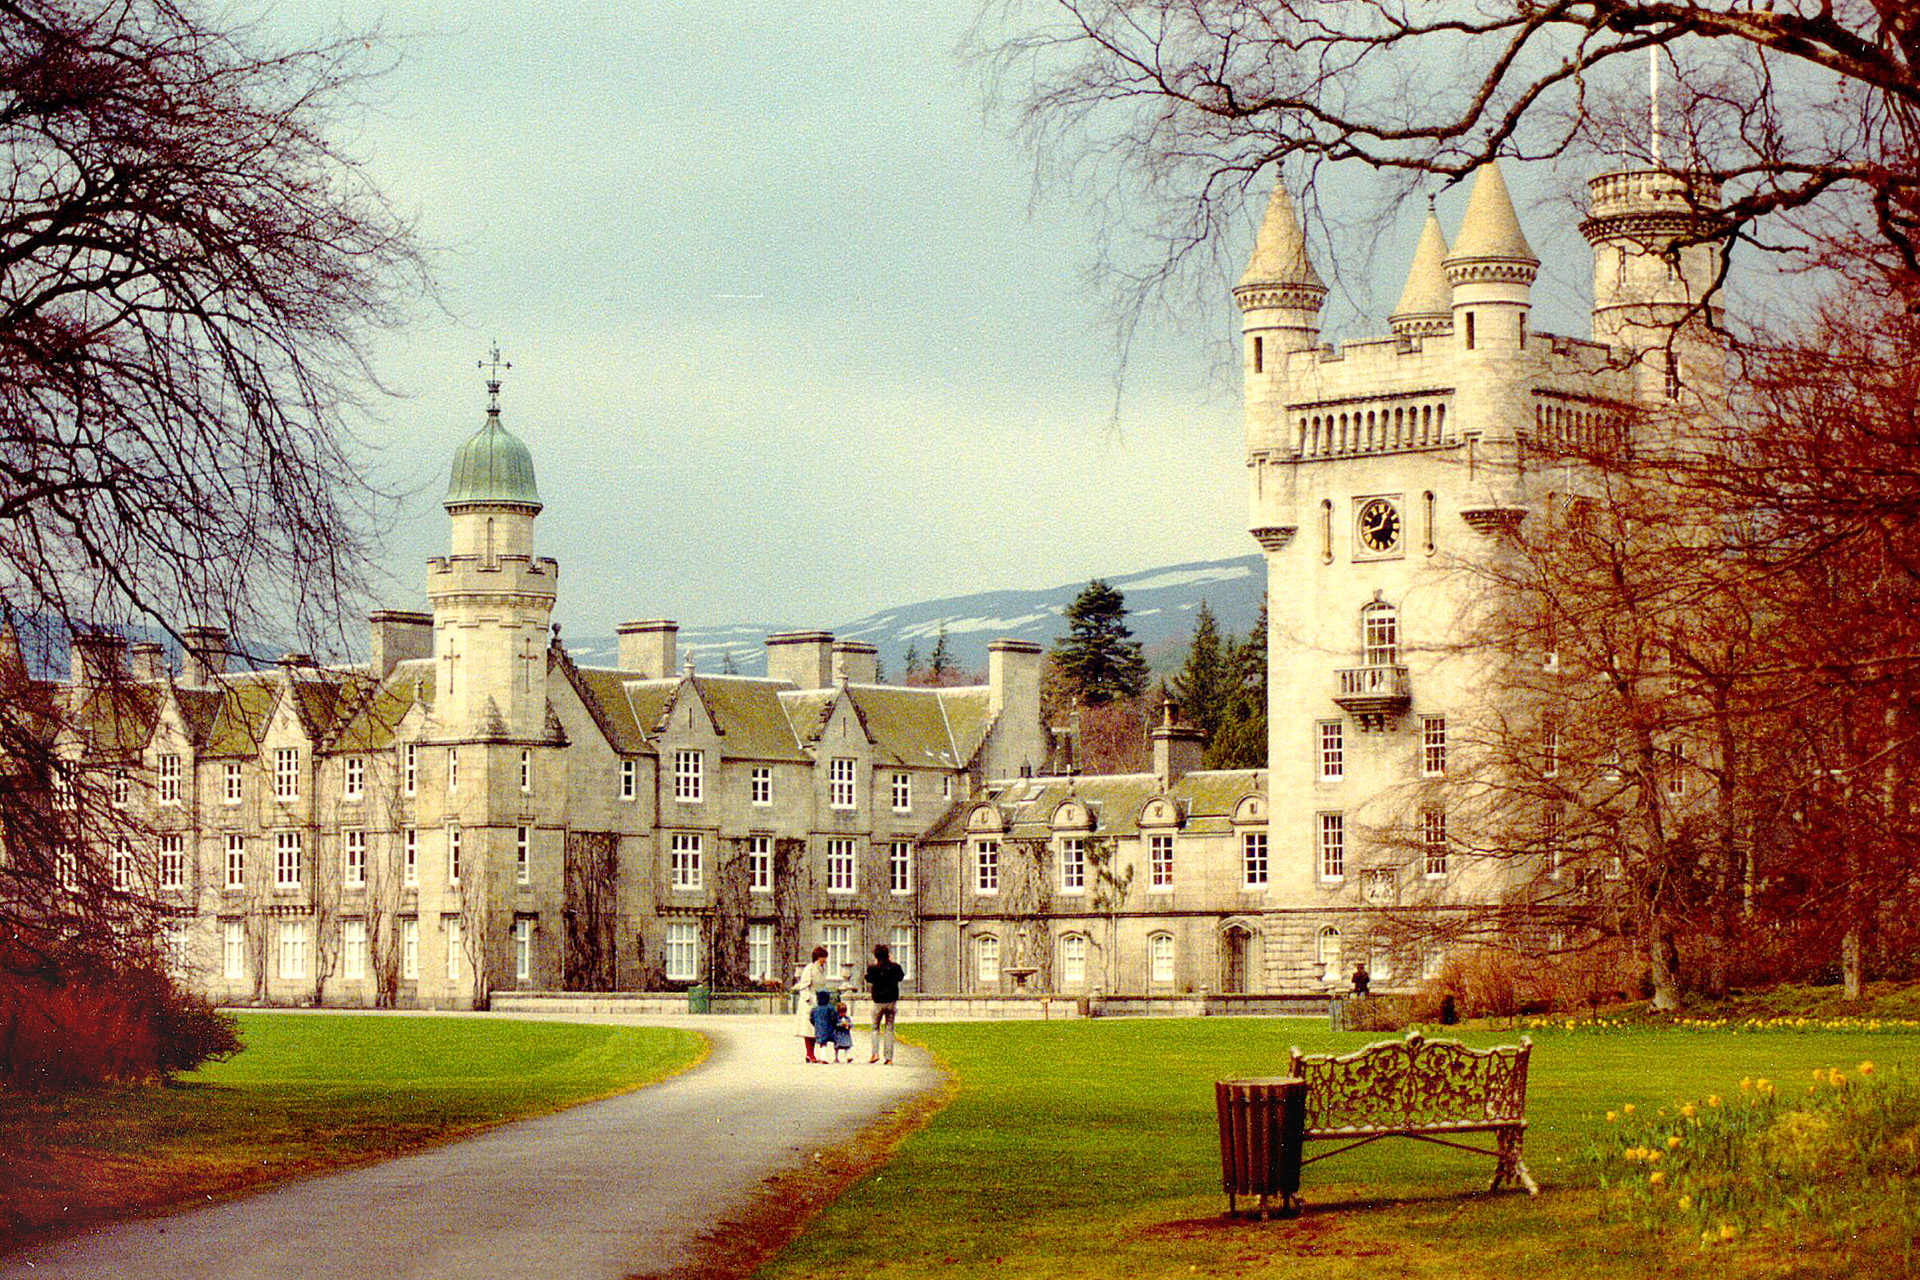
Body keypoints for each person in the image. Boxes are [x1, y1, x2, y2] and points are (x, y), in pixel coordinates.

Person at [864, 942, 905, 1064]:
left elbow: (868, 978)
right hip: (891, 1001)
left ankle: (875, 1053)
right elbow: (900, 977)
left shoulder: (873, 968)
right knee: (889, 1029)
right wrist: (891, 962)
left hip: (878, 1001)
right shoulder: (895, 967)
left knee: (875, 1027)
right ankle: (889, 1058)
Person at [792, 945, 832, 1063]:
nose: (825, 960)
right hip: (809, 1002)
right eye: (823, 957)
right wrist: (809, 999)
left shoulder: (822, 969)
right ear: (817, 957)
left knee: (817, 1028)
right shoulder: (809, 968)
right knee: (808, 1028)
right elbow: (803, 986)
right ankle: (809, 1054)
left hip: (819, 1001)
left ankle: (815, 1054)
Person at [809, 990, 838, 1064]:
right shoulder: (830, 1008)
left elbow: (811, 1018)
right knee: (835, 1041)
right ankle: (835, 1057)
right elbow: (834, 1018)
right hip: (829, 1028)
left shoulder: (815, 1008)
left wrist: (815, 1024)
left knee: (822, 1044)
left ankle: (822, 1057)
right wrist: (834, 1024)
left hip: (818, 1028)